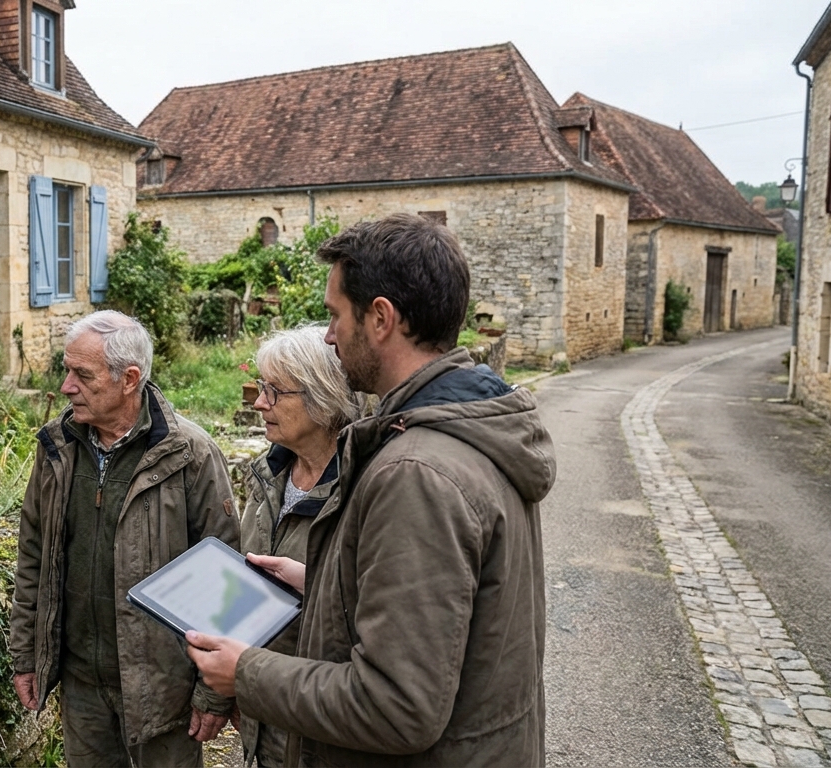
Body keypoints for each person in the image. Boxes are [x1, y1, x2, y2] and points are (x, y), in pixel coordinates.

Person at [186, 213, 556, 766]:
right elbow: (453, 613)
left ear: (380, 318)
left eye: (336, 316)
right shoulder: (474, 426)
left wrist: (246, 671)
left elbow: (397, 706)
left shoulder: (418, 472)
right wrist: (324, 585)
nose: (329, 335)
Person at [10, 310, 239, 767]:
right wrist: (25, 655)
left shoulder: (189, 455)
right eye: (66, 369)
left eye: (82, 374)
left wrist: (213, 694)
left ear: (129, 378)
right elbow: (33, 553)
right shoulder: (58, 446)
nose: (65, 386)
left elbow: (226, 582)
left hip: (164, 688)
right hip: (82, 687)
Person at [238, 326, 359, 767]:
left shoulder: (363, 489)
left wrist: (318, 584)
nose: (259, 403)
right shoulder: (269, 476)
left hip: (323, 717)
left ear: (322, 398)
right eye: (259, 387)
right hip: (265, 703)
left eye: (274, 391)